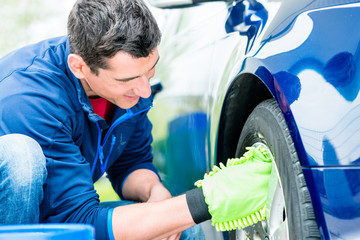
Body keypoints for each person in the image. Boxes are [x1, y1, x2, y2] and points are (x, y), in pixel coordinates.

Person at [0, 0, 273, 239]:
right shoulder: (29, 98)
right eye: (128, 80)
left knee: (178, 229)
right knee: (20, 156)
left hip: (56, 209)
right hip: (17, 216)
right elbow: (78, 221)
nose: (144, 91)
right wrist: (206, 201)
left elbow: (131, 162)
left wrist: (155, 192)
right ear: (79, 67)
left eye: (150, 72)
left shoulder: (127, 84)